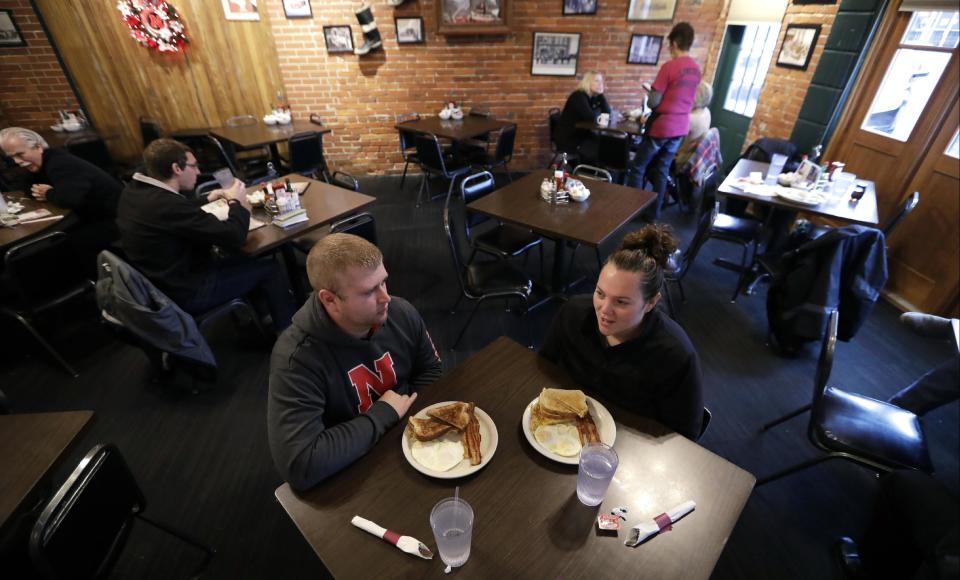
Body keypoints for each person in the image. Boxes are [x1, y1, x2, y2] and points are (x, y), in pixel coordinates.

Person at [267, 233, 442, 490]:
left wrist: (412, 428)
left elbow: (430, 370)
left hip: (405, 442)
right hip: (351, 469)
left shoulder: (401, 313)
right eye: (369, 291)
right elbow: (301, 465)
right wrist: (384, 414)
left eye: (384, 282)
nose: (386, 298)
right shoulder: (296, 359)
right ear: (329, 299)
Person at [540, 224, 704, 440]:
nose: (604, 310)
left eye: (621, 302)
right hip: (565, 432)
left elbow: (684, 435)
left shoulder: (675, 354)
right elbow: (544, 367)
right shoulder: (573, 314)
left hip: (633, 447)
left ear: (651, 303)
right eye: (600, 293)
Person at [116, 138, 294, 331]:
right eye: (193, 166)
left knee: (244, 258)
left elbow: (173, 210)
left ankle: (262, 319)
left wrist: (205, 199)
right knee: (270, 268)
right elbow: (234, 236)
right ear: (177, 168)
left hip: (159, 284)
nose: (199, 172)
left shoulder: (135, 191)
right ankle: (287, 333)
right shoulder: (166, 205)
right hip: (187, 290)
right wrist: (236, 202)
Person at [0, 127, 122, 268]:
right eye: (12, 157)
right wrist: (51, 192)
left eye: (20, 154)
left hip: (113, 218)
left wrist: (48, 193)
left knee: (59, 246)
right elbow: (26, 188)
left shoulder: (59, 163)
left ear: (38, 147)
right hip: (90, 214)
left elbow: (68, 199)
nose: (17, 162)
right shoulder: (39, 163)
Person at [627, 22, 702, 219]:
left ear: (675, 43)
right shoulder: (696, 69)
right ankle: (654, 214)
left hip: (663, 126)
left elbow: (653, 102)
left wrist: (651, 90)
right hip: (680, 127)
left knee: (638, 167)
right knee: (661, 170)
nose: (669, 48)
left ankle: (633, 210)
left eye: (669, 44)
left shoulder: (669, 67)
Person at [555, 70, 612, 163]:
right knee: (600, 148)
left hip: (581, 134)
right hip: (569, 138)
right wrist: (599, 114)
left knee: (605, 144)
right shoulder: (578, 96)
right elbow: (591, 117)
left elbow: (607, 113)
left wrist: (601, 95)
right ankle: (586, 172)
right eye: (597, 81)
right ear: (587, 82)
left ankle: (595, 173)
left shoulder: (592, 97)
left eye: (601, 81)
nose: (600, 84)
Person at [673, 80, 713, 169]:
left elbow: (667, 131)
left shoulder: (690, 119)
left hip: (679, 159)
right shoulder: (706, 112)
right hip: (691, 158)